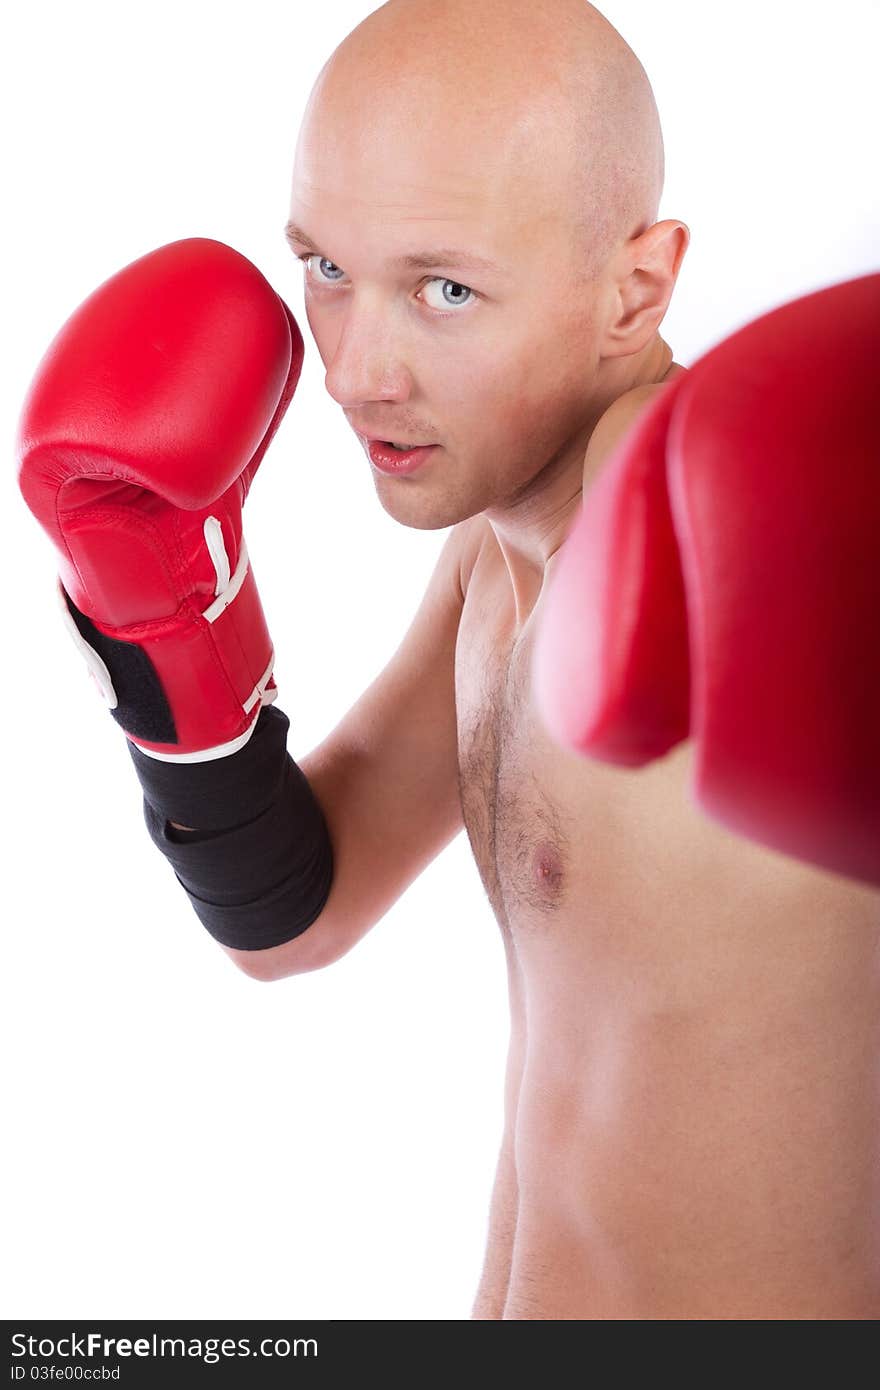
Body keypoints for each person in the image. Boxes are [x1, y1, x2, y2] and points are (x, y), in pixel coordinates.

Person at [17, 0, 880, 1320]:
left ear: (636, 288)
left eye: (445, 288)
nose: (356, 371)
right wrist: (161, 635)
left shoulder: (711, 534)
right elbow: (297, 915)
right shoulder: (491, 558)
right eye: (326, 268)